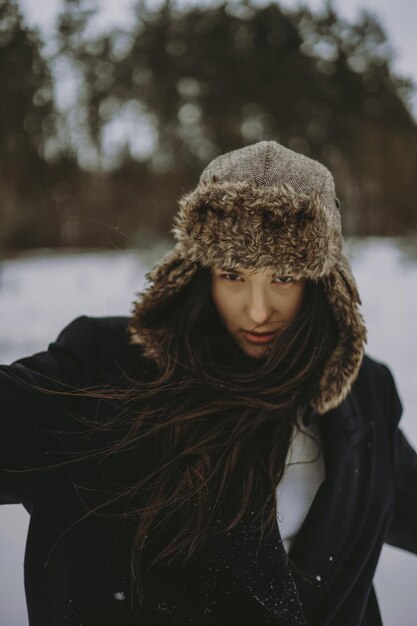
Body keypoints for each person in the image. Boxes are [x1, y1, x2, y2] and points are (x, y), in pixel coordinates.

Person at [0, 140, 416, 626]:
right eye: (233, 274)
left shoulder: (364, 393)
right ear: (200, 275)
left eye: (284, 277)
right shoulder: (106, 363)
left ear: (323, 281)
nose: (259, 311)